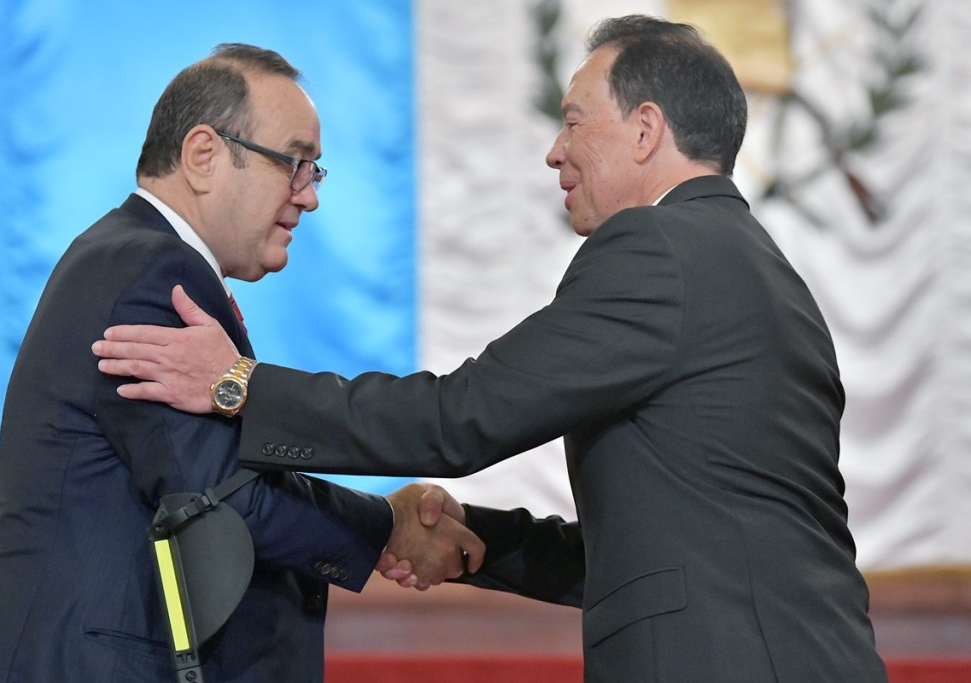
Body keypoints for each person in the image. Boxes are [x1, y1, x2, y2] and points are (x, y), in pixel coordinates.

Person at [91, 17, 889, 682]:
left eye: (574, 120)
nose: (554, 149)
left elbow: (458, 418)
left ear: (646, 129)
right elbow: (656, 546)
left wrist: (239, 386)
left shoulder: (659, 249)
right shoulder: (755, 264)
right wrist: (472, 538)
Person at [0, 44, 482, 683]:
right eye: (295, 163)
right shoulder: (150, 269)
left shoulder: (126, 255)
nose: (309, 196)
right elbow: (221, 499)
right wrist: (386, 526)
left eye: (316, 169)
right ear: (204, 155)